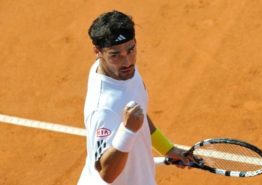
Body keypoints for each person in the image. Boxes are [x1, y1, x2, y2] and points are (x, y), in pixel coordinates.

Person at [78, 10, 191, 185]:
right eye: (115, 55)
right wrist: (128, 131)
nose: (127, 62)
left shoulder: (122, 72)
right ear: (97, 51)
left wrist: (167, 148)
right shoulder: (103, 109)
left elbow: (139, 115)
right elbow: (105, 174)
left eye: (131, 50)